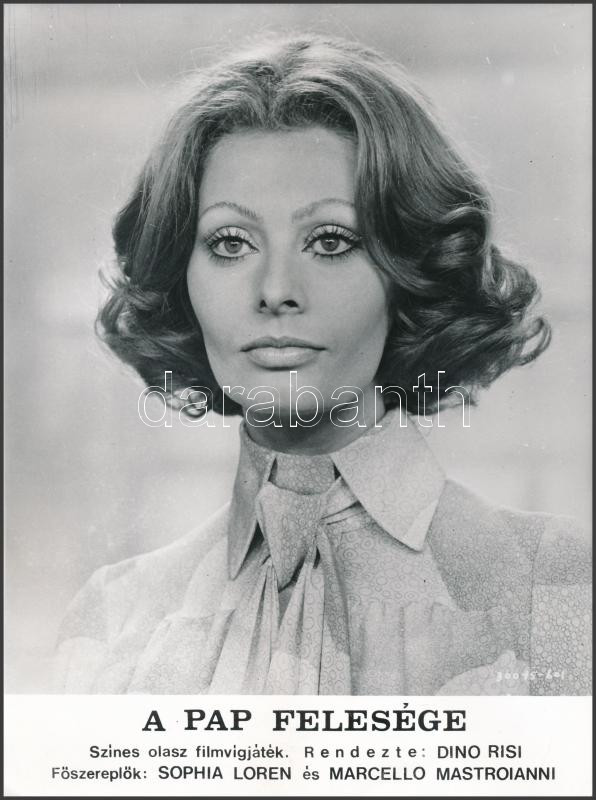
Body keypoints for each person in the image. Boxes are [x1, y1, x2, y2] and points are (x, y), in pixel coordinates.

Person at [53, 34, 591, 695]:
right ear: (180, 277)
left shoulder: (560, 585)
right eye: (231, 243)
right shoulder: (113, 620)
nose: (276, 290)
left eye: (330, 241)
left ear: (409, 272)